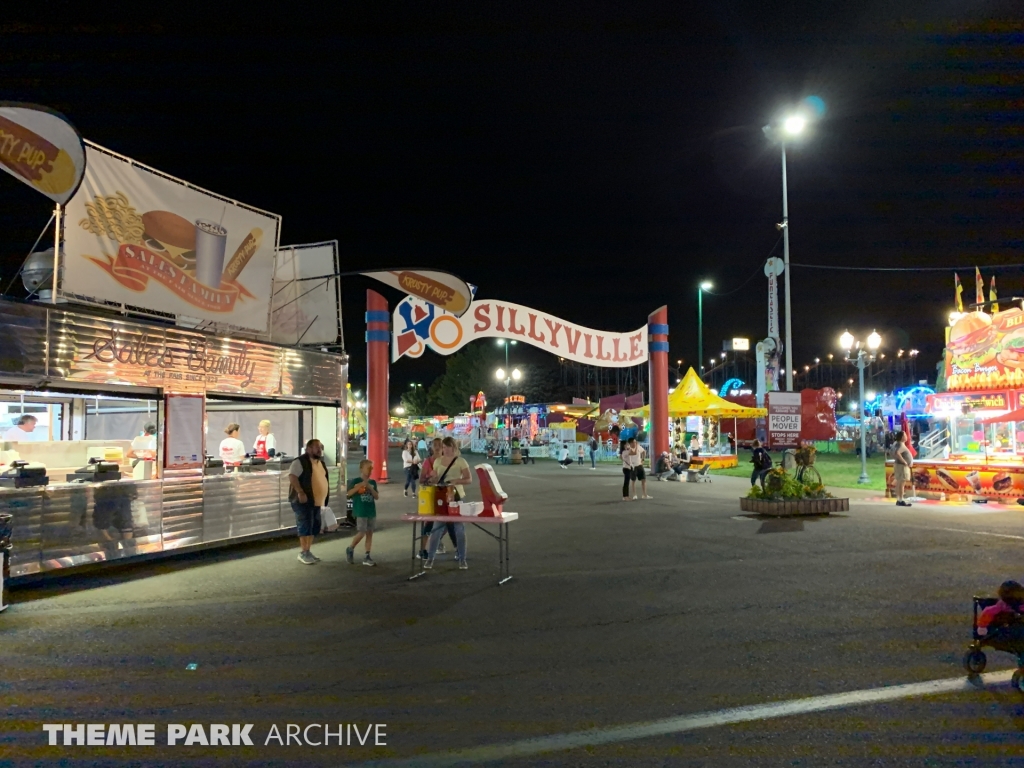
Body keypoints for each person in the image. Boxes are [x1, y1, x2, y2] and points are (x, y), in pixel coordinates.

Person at [425, 436, 471, 569]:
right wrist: (432, 478)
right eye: (443, 447)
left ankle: (462, 559)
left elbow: (468, 479)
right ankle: (430, 558)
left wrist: (456, 481)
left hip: (457, 496)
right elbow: (435, 477)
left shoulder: (461, 461)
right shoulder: (438, 461)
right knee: (436, 529)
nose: (444, 449)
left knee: (459, 529)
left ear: (453, 447)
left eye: (447, 447)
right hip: (441, 496)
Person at [288, 438, 331, 565]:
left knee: (314, 526)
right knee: (305, 525)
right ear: (308, 449)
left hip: (316, 501)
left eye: (320, 447)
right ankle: (303, 552)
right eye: (316, 447)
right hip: (302, 500)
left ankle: (308, 551)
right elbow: (292, 476)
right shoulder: (300, 462)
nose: (319, 449)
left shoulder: (320, 463)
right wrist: (300, 492)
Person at [419, 438, 457, 559]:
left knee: (449, 522)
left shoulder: (448, 461)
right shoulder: (428, 462)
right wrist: (429, 478)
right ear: (431, 447)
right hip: (431, 495)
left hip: (446, 495)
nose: (437, 447)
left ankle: (453, 547)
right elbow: (421, 481)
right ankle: (423, 549)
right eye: (434, 445)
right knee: (429, 522)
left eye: (440, 445)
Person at [345, 459, 379, 566]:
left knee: (370, 533)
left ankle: (367, 555)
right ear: (361, 469)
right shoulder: (355, 481)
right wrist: (360, 486)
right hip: (360, 511)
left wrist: (370, 487)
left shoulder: (372, 482)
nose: (370, 470)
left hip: (371, 511)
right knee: (362, 532)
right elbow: (349, 493)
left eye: (371, 468)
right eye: (368, 468)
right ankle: (350, 548)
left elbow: (376, 496)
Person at [892, 429, 913, 507]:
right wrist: (904, 462)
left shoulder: (897, 444)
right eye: (905, 435)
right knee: (902, 483)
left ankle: (899, 499)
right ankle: (901, 499)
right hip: (902, 466)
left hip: (899, 465)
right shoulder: (901, 445)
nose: (906, 436)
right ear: (902, 437)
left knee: (900, 483)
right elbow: (897, 453)